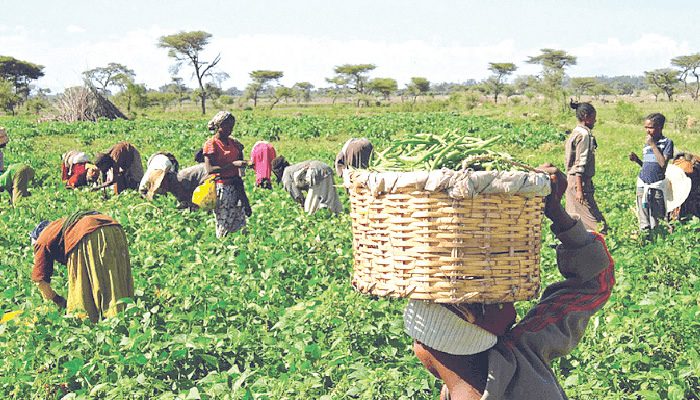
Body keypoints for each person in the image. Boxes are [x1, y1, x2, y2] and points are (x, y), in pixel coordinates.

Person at [405, 164, 615, 400]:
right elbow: (595, 283)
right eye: (496, 299)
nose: (511, 304)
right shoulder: (521, 354)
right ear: (470, 314)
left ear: (420, 345)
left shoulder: (511, 355)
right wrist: (559, 216)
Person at [30, 211, 134, 323]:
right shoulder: (58, 227)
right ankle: (123, 320)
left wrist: (57, 300)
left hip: (87, 232)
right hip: (114, 228)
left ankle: (95, 324)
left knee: (81, 298)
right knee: (115, 279)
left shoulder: (42, 240)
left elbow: (40, 281)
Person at [202, 111, 251, 237]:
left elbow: (239, 156)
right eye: (227, 127)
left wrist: (246, 163)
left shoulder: (233, 142)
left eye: (232, 127)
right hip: (222, 188)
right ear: (219, 126)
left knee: (240, 222)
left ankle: (240, 250)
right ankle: (222, 249)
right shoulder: (211, 144)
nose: (230, 130)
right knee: (224, 223)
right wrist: (233, 165)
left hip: (236, 186)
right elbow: (210, 169)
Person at [564, 100, 607, 233]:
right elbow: (580, 164)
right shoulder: (584, 135)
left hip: (570, 180)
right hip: (579, 182)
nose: (595, 121)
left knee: (573, 217)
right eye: (593, 118)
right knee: (596, 222)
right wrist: (580, 190)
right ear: (586, 117)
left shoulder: (575, 132)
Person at [629, 113, 674, 233]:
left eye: (651, 127)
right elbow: (647, 165)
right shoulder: (647, 144)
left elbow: (662, 164)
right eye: (646, 127)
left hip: (656, 185)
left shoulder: (667, 143)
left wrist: (653, 145)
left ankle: (658, 236)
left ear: (660, 127)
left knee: (657, 216)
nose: (647, 131)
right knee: (643, 217)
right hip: (643, 183)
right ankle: (645, 237)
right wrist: (637, 160)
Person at [272, 158, 342, 215]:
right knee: (330, 198)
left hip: (316, 171)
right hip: (325, 168)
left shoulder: (286, 174)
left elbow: (296, 194)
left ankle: (314, 220)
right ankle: (336, 214)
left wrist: (302, 203)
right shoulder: (292, 168)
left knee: (310, 208)